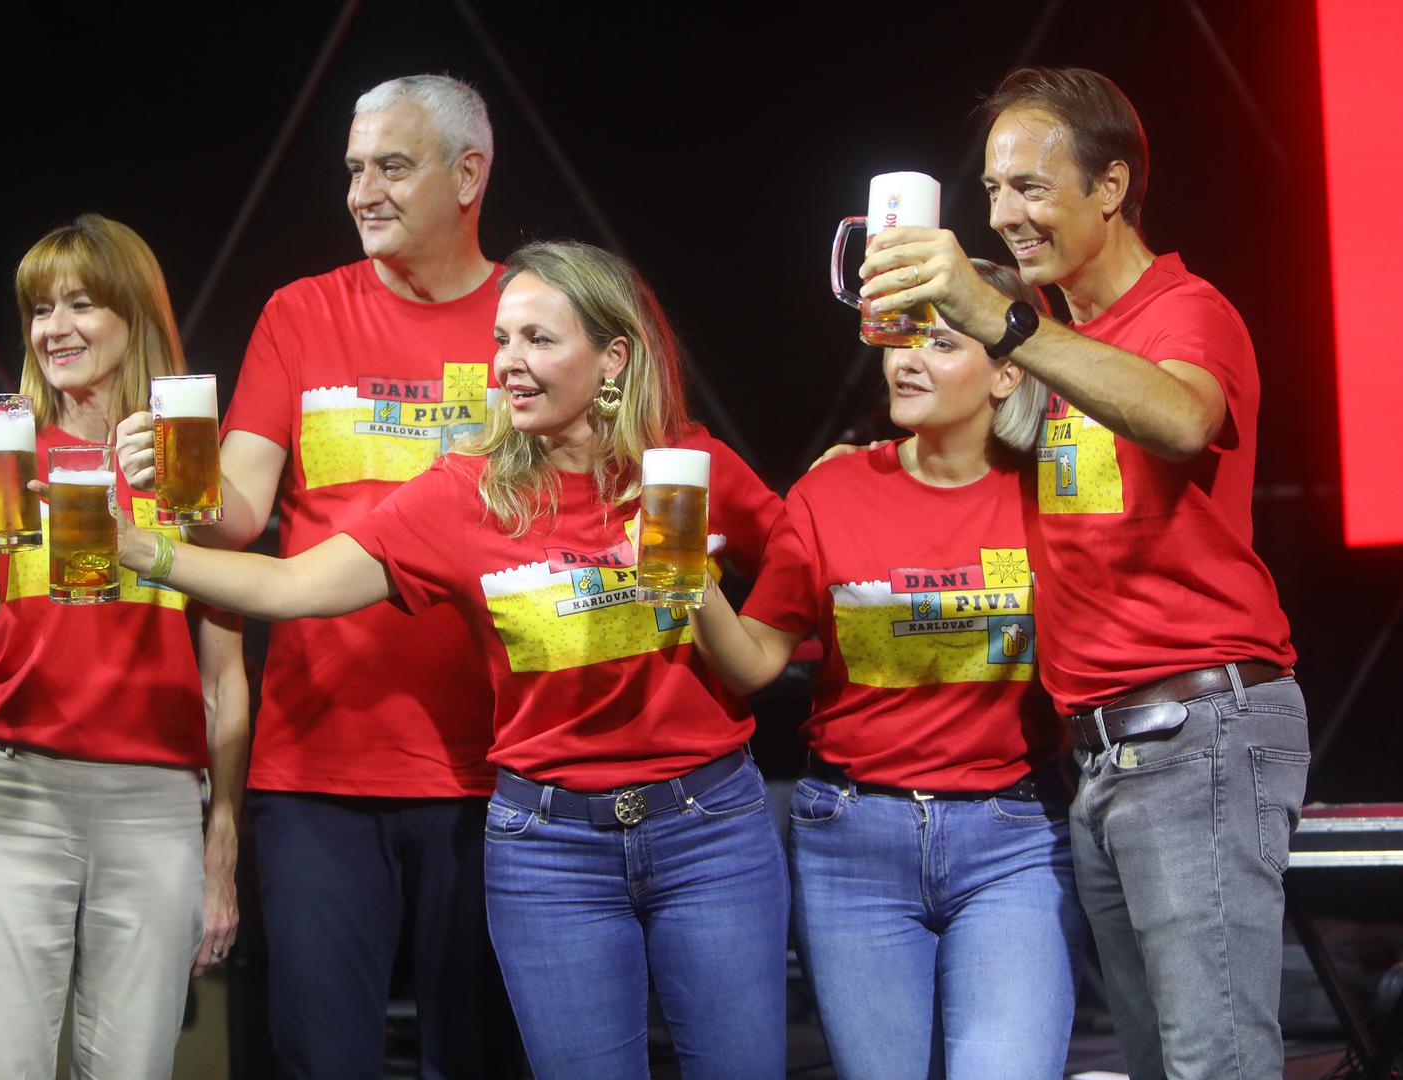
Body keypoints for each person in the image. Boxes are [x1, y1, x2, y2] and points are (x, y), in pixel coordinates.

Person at [117, 240, 790, 1079]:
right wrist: (143, 548)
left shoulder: (686, 469)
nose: (508, 363)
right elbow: (291, 586)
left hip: (710, 829)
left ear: (613, 356)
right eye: (502, 340)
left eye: (538, 341)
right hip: (549, 847)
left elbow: (802, 555)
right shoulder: (464, 493)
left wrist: (757, 627)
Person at [858, 67, 1306, 1079]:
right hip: (1105, 752)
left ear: (1112, 187)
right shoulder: (1058, 335)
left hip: (1197, 729)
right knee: (1156, 1061)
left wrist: (1008, 320)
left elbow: (1184, 417)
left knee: (1215, 1063)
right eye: (992, 189)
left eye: (1031, 187)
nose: (1005, 213)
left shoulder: (1184, 310)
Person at [118, 74, 520, 1077]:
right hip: (317, 770)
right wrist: (171, 476)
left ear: (469, 174)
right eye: (352, 169)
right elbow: (242, 512)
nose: (362, 192)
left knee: (473, 1059)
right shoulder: (301, 313)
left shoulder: (532, 315)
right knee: (320, 1060)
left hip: (491, 763)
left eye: (392, 165)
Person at [689, 260, 1083, 1079]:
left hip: (1011, 838)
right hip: (853, 842)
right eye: (900, 335)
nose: (906, 359)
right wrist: (689, 583)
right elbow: (758, 658)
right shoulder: (831, 490)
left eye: (941, 340)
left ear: (1009, 370)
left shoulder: (1054, 496)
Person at [0, 212, 249, 1079]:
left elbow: (225, 680)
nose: (54, 328)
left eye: (82, 304)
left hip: (154, 806)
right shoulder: (3, 449)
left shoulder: (184, 464)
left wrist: (221, 848)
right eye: (40, 309)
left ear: (135, 314)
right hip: (11, 795)